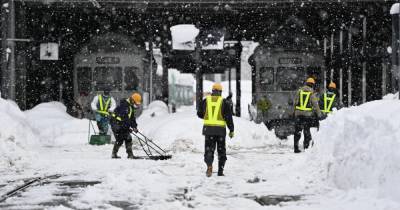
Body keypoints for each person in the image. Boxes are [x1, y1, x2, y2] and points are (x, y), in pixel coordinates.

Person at [197, 83, 234, 177]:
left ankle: (209, 166)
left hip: (208, 130)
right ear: (220, 92)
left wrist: (207, 115)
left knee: (209, 150)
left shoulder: (205, 101)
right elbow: (229, 118)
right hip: (220, 131)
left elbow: (199, 114)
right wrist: (231, 130)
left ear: (213, 91)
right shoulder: (224, 102)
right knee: (221, 151)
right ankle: (220, 171)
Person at [293, 77, 322, 153]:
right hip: (307, 115)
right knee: (306, 131)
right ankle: (306, 147)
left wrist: (294, 112)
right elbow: (315, 105)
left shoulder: (299, 91)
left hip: (298, 114)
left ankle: (296, 148)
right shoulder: (311, 93)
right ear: (312, 85)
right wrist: (319, 114)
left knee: (297, 131)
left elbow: (295, 102)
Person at [110, 93, 142, 159]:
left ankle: (129, 155)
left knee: (127, 138)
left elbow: (132, 118)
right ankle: (115, 154)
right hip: (116, 123)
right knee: (121, 138)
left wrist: (134, 127)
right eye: (135, 103)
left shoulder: (130, 106)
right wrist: (127, 128)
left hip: (121, 123)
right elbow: (124, 118)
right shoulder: (124, 106)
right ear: (132, 100)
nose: (136, 105)